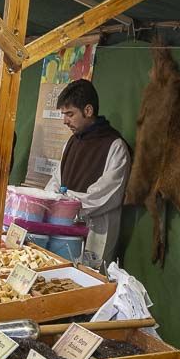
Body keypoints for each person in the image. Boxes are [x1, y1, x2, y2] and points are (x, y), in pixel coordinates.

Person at [44, 80, 130, 265]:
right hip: (63, 225)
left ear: (88, 111)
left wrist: (66, 201)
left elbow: (105, 195)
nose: (65, 121)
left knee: (87, 283)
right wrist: (50, 199)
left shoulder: (115, 146)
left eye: (70, 114)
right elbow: (56, 180)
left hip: (95, 231)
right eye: (64, 114)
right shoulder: (71, 143)